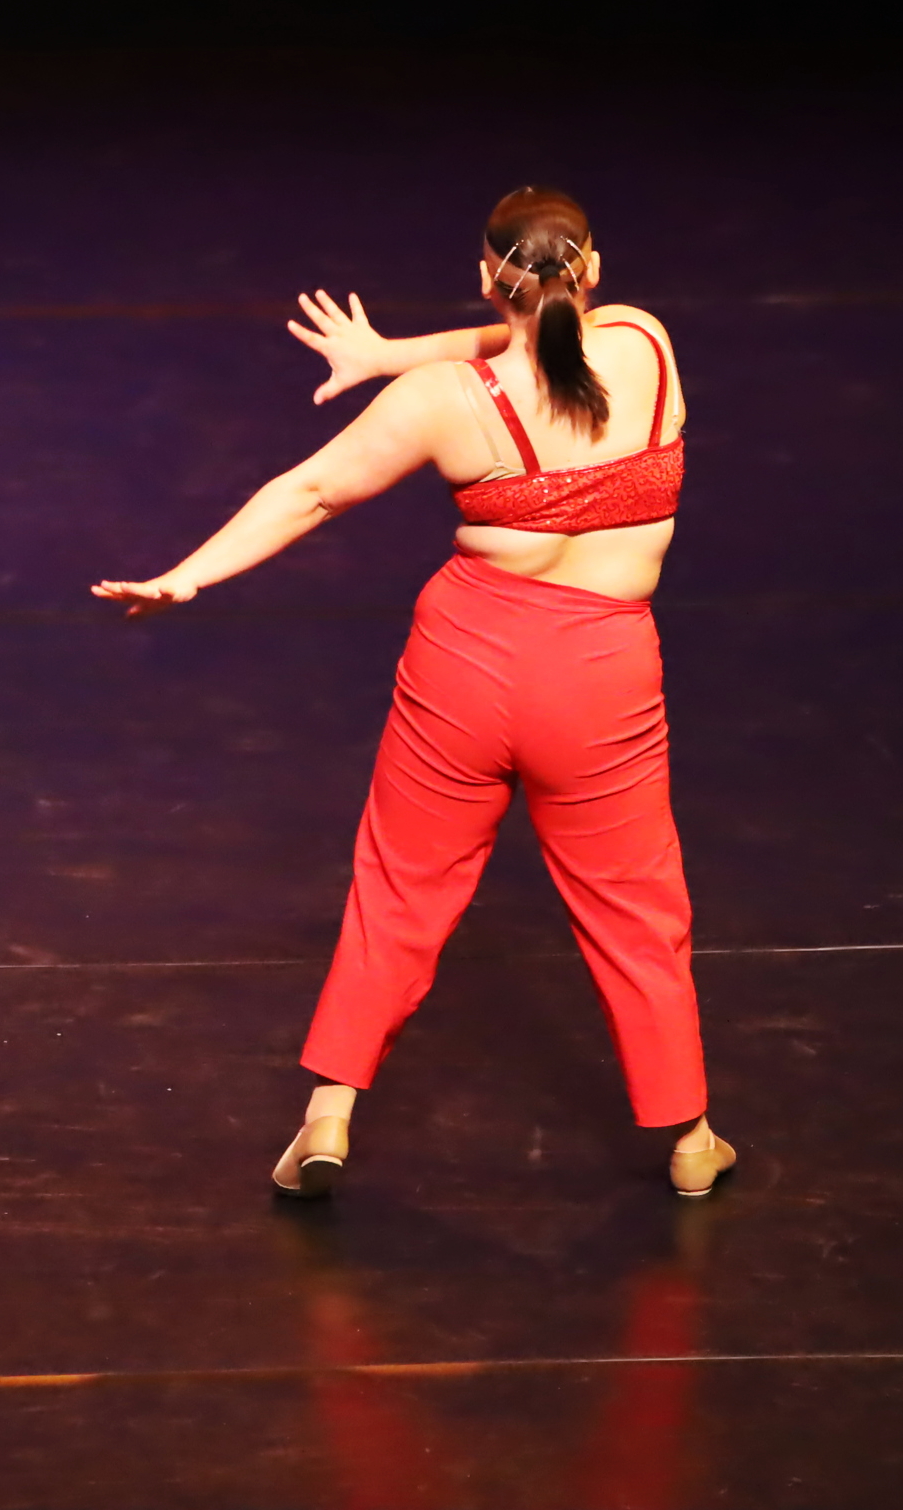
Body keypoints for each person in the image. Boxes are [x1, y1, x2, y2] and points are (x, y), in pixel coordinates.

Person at [93, 186, 734, 1199]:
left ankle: (329, 1115)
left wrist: (190, 575)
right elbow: (543, 328)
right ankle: (690, 1135)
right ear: (593, 272)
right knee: (635, 902)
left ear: (485, 279)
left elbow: (310, 490)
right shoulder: (644, 344)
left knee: (401, 887)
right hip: (602, 674)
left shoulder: (441, 400)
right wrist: (397, 354)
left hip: (467, 663)